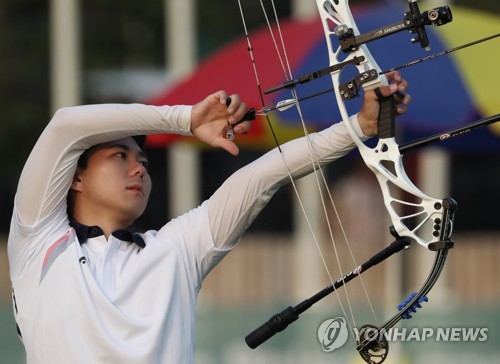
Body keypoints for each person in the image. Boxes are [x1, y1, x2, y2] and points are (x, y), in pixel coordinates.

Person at [8, 72, 410, 363]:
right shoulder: (40, 240)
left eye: (144, 161)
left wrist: (360, 127)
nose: (139, 169)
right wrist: (183, 120)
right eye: (120, 156)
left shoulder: (176, 249)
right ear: (75, 177)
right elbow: (64, 126)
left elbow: (260, 177)